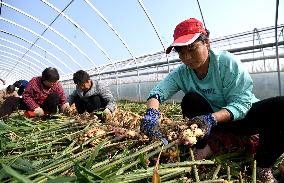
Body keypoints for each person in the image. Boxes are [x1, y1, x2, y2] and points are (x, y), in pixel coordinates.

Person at [140, 18, 284, 182]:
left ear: (206, 43)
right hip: (207, 127)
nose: (186, 57)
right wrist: (151, 112)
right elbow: (157, 93)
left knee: (281, 106)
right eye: (181, 52)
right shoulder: (182, 73)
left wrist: (212, 118)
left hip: (241, 120)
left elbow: (242, 104)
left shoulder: (226, 63)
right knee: (190, 100)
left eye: (192, 49)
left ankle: (263, 166)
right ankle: (203, 147)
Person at [0, 67, 70, 118]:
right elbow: (26, 96)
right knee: (11, 100)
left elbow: (62, 96)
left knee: (54, 96)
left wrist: (65, 103)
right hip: (32, 106)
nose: (53, 84)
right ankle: (2, 118)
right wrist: (35, 107)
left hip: (45, 107)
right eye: (51, 82)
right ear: (44, 79)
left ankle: (48, 116)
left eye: (54, 82)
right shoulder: (35, 81)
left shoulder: (56, 84)